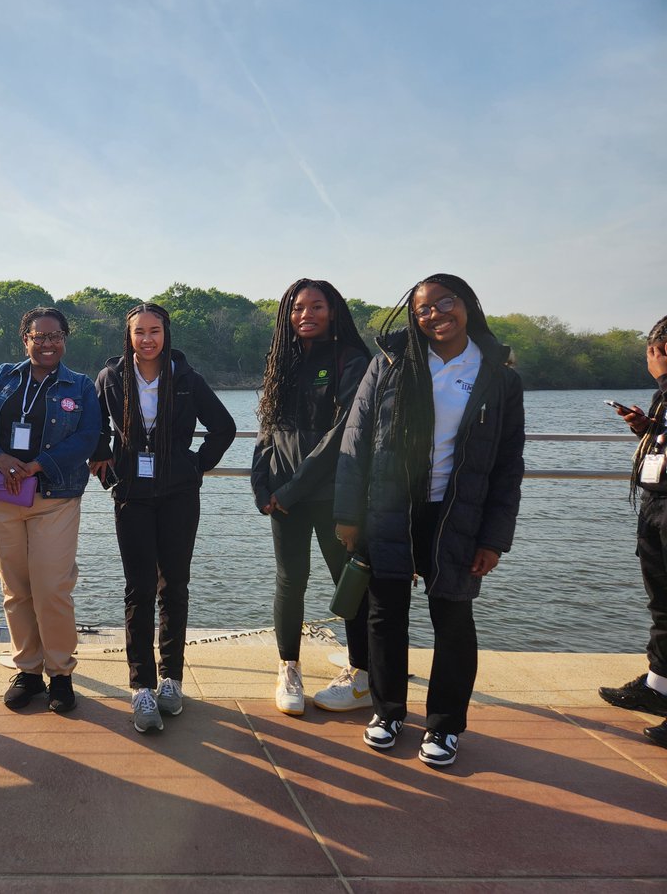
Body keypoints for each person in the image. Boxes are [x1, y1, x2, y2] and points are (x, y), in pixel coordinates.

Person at [334, 273, 524, 767]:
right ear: (412, 316)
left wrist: (494, 538)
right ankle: (388, 711)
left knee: (453, 618)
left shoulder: (497, 374)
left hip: (457, 511)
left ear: (467, 306)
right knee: (385, 613)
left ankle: (444, 724)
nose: (435, 314)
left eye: (446, 303)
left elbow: (508, 464)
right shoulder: (389, 364)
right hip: (390, 507)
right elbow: (355, 443)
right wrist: (348, 514)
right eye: (423, 308)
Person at [91, 302, 234, 732]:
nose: (147, 339)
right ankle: (142, 687)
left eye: (155, 331)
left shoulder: (186, 378)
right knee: (138, 589)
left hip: (178, 495)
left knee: (174, 586)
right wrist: (106, 466)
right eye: (139, 332)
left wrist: (193, 466)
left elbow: (224, 427)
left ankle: (171, 678)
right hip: (132, 494)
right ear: (128, 335)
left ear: (166, 334)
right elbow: (92, 427)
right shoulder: (112, 377)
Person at [0, 306, 100, 713]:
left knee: (52, 588)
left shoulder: (80, 386)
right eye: (38, 336)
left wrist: (38, 465)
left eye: (55, 336)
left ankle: (60, 673)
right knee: (16, 588)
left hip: (54, 498)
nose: (47, 344)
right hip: (0, 495)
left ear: (65, 339)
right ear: (25, 339)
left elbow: (89, 436)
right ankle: (28, 671)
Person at [251, 280, 372, 717]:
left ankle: (362, 676)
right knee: (290, 580)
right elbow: (268, 428)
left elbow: (343, 435)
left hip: (333, 493)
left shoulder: (351, 361)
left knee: (350, 582)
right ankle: (288, 669)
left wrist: (293, 487)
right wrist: (260, 484)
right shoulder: (282, 362)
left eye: (316, 306)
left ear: (333, 310)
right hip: (283, 497)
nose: (306, 314)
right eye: (298, 308)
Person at [598, 315, 667, 749]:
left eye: (654, 350)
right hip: (655, 501)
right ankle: (658, 687)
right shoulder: (662, 397)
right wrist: (647, 427)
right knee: (662, 602)